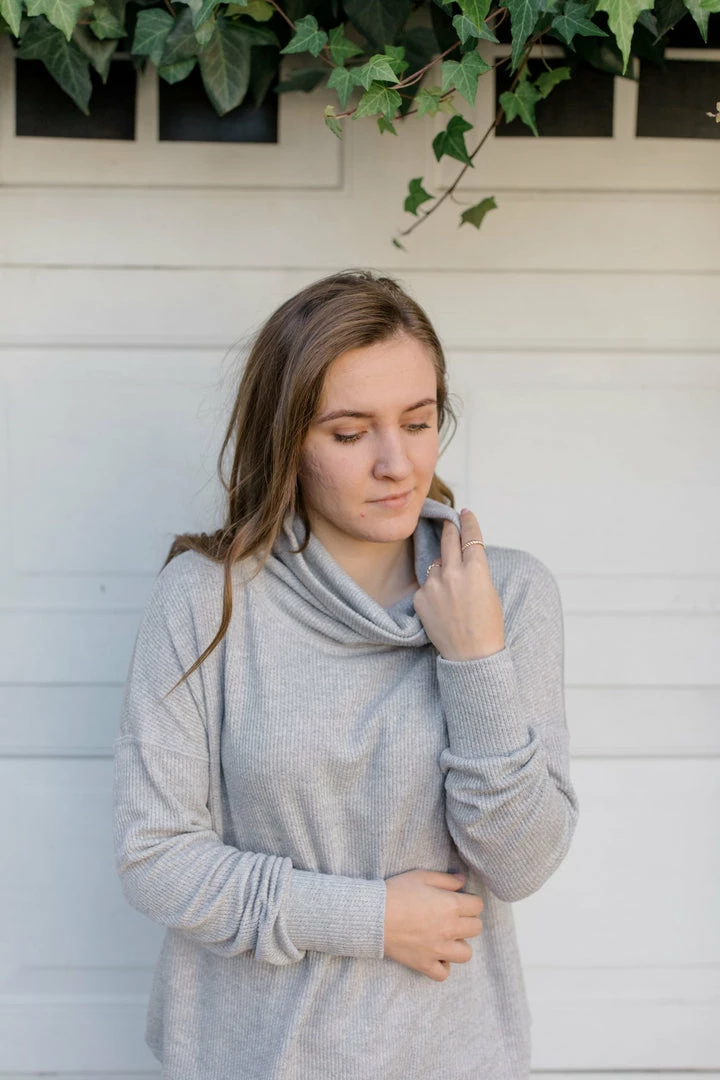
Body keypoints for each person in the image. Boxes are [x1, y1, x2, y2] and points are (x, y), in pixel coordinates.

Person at [112, 268, 580, 1080]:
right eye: (350, 431)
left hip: (447, 1058)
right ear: (287, 436)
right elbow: (155, 856)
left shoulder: (509, 593)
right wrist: (369, 918)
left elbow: (521, 863)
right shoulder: (206, 597)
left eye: (419, 421)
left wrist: (474, 660)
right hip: (246, 1056)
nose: (396, 463)